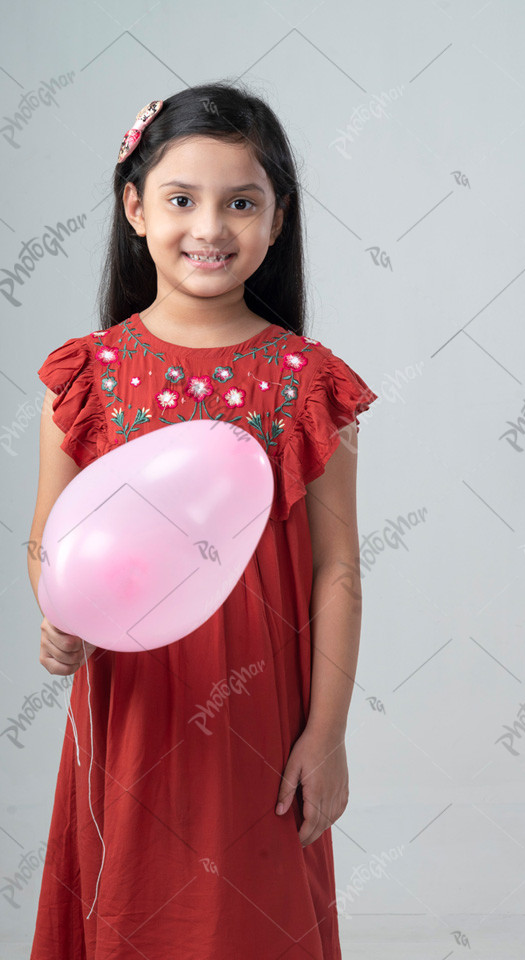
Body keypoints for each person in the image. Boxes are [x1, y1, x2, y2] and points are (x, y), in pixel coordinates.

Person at [27, 80, 378, 960]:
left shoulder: (306, 382)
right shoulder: (90, 376)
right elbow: (50, 536)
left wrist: (327, 736)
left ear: (277, 220)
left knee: (253, 910)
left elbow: (337, 567)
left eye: (242, 203)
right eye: (182, 200)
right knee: (133, 901)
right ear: (135, 208)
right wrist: (56, 612)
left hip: (264, 713)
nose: (210, 228)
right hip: (137, 706)